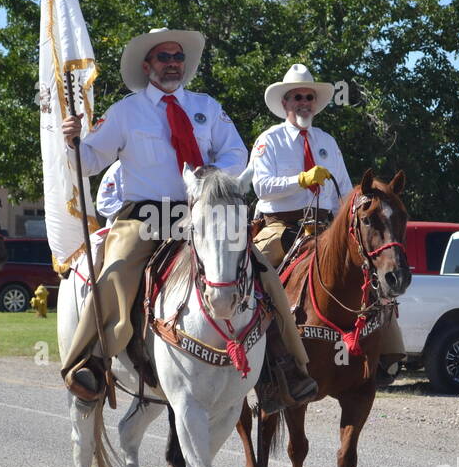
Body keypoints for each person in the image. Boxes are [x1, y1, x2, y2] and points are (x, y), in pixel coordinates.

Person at [58, 27, 317, 411]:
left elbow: (235, 153)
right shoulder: (125, 112)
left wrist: (210, 180)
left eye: (178, 58)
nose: (173, 64)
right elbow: (92, 160)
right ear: (147, 66)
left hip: (203, 212)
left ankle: (285, 367)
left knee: (262, 270)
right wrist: (74, 141)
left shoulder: (207, 107)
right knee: (116, 270)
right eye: (164, 58)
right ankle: (90, 361)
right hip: (146, 215)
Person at [250, 64, 407, 388]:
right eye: (297, 97)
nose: (304, 102)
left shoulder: (326, 141)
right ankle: (249, 349)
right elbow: (261, 186)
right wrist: (300, 180)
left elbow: (347, 192)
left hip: (327, 227)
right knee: (252, 271)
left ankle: (388, 351)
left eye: (308, 97)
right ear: (285, 103)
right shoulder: (270, 140)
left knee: (373, 267)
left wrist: (349, 219)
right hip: (281, 224)